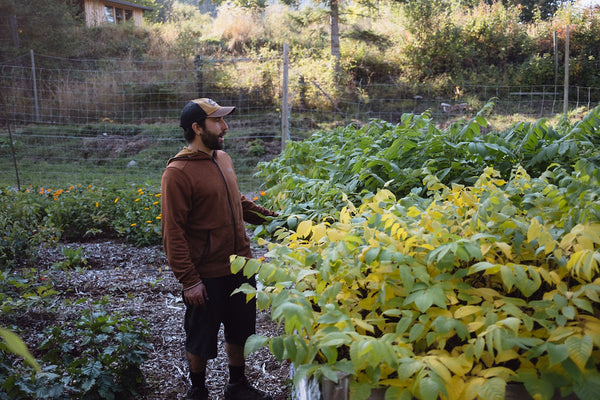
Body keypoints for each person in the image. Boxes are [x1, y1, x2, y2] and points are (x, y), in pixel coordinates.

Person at [161, 98, 277, 400]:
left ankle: (236, 385)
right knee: (201, 336)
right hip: (207, 272)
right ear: (197, 128)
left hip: (241, 266)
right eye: (217, 122)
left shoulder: (222, 158)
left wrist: (276, 220)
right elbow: (173, 231)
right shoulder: (178, 172)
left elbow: (239, 202)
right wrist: (189, 280)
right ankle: (198, 390)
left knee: (240, 329)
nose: (225, 126)